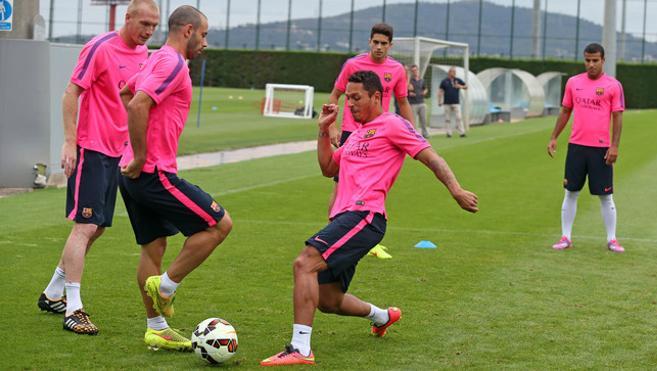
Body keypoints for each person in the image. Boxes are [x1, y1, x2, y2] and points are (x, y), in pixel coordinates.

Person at [260, 71, 478, 366]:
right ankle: (383, 316)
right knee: (328, 300)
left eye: (356, 98)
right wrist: (324, 130)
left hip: (366, 215)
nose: (350, 104)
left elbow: (431, 156)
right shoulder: (356, 135)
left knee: (304, 262)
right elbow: (328, 168)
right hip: (345, 218)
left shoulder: (393, 124)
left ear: (377, 97)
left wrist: (456, 189)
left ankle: (300, 348)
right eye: (348, 98)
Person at [37, 0, 159, 335]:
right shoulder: (99, 48)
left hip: (116, 154)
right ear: (128, 18)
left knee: (99, 226)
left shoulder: (144, 55)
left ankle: (52, 293)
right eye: (144, 24)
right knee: (85, 225)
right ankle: (73, 308)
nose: (148, 32)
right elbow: (70, 93)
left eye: (154, 26)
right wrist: (68, 142)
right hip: (90, 149)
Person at [118, 5, 233, 351]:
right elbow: (137, 103)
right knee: (219, 225)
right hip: (152, 172)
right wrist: (141, 154)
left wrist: (136, 151)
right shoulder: (172, 63)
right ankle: (167, 286)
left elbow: (126, 93)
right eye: (204, 34)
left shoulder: (155, 58)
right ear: (187, 31)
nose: (206, 42)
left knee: (153, 248)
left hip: (132, 174)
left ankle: (156, 327)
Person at [328, 23, 414, 259]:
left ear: (390, 45)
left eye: (383, 43)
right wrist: (332, 125)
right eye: (375, 42)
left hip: (380, 135)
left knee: (372, 186)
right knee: (340, 184)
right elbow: (336, 94)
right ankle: (333, 231)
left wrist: (414, 132)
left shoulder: (396, 69)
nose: (378, 47)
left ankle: (363, 236)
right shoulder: (353, 65)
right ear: (369, 42)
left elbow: (403, 102)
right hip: (351, 132)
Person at [547, 43, 625, 253]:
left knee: (605, 195)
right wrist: (554, 137)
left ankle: (612, 239)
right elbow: (565, 111)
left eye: (595, 60)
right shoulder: (573, 83)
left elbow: (617, 117)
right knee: (570, 192)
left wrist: (615, 146)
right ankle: (566, 237)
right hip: (576, 147)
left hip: (601, 149)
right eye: (587, 60)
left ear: (603, 60)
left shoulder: (613, 85)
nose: (591, 64)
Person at [438, 66, 467, 138]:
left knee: (459, 117)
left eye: (455, 72)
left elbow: (466, 86)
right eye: (453, 72)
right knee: (447, 119)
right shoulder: (444, 81)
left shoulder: (458, 80)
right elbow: (440, 91)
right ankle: (449, 133)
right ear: (449, 72)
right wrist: (439, 101)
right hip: (447, 103)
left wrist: (460, 86)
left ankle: (462, 132)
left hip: (456, 102)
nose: (454, 73)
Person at [408, 64, 429, 138]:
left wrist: (425, 92)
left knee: (423, 120)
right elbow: (405, 91)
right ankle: (414, 135)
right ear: (411, 72)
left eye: (416, 70)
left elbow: (426, 89)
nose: (415, 72)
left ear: (418, 71)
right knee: (413, 121)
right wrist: (409, 93)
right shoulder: (409, 81)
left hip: (422, 103)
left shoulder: (422, 80)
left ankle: (425, 134)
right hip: (413, 104)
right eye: (413, 71)